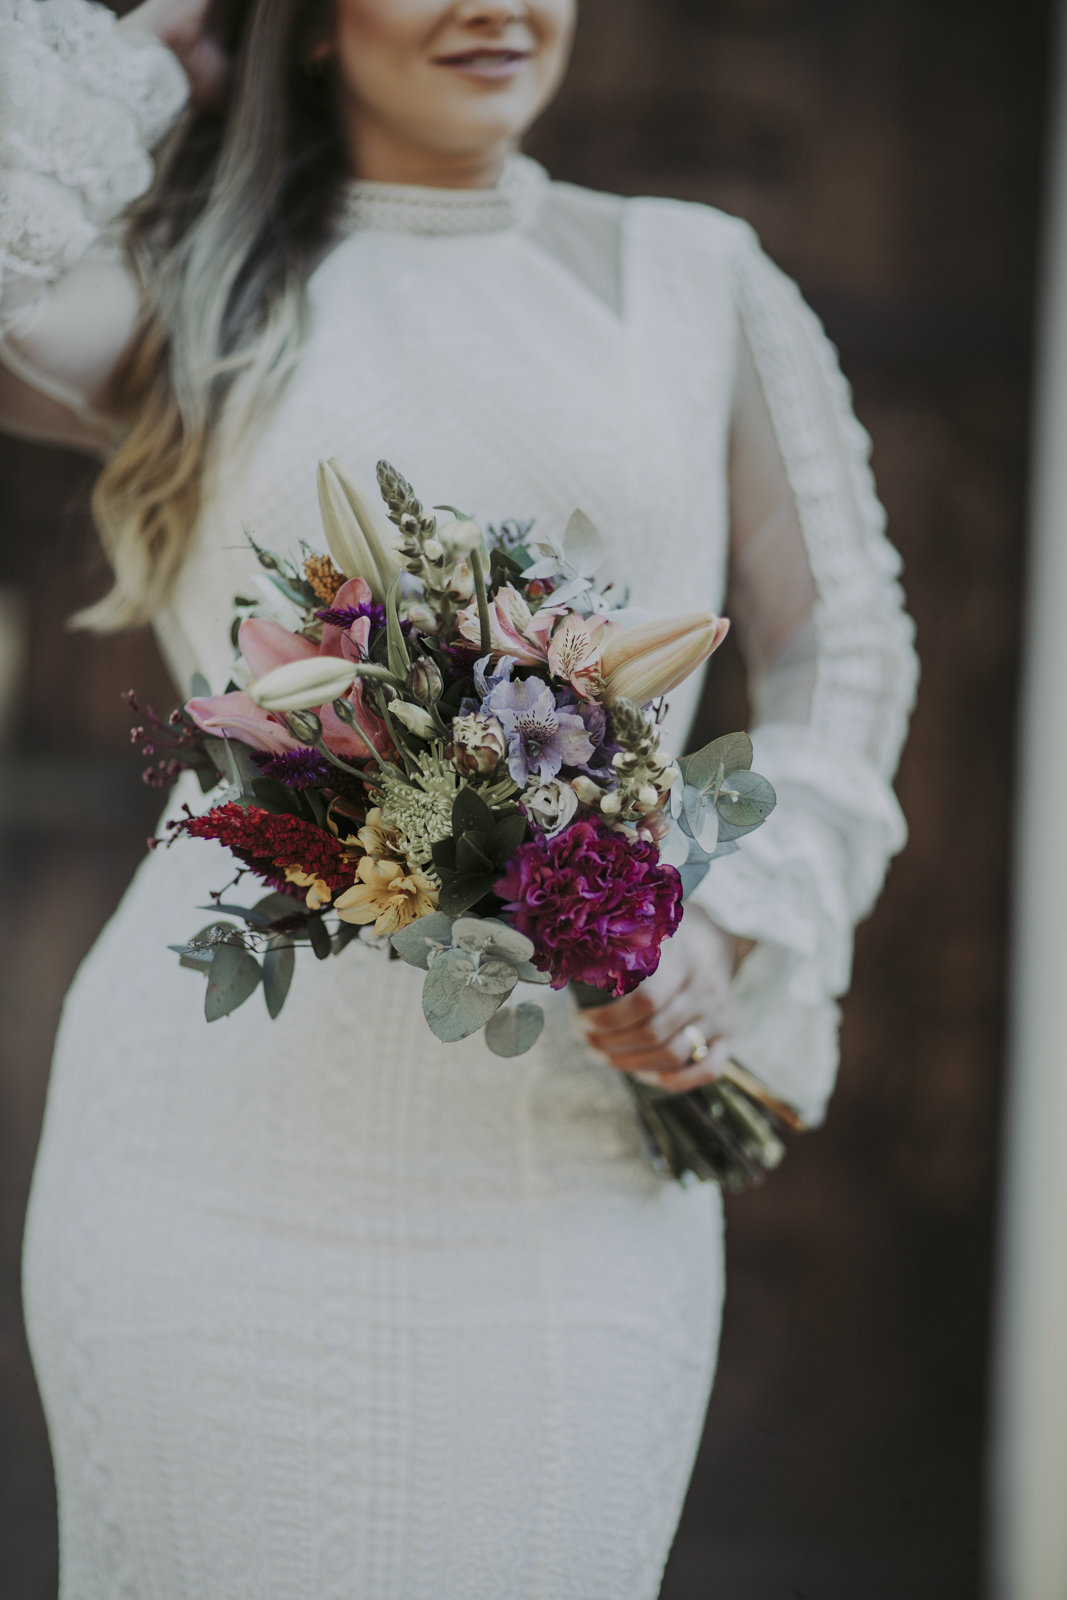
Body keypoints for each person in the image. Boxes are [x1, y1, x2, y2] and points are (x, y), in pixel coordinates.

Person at [0, 0, 917, 1593]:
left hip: (556, 1155)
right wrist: (147, 70)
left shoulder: (692, 274)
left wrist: (737, 918)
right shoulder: (190, 294)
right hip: (203, 1153)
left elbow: (843, 637)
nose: (497, 6)